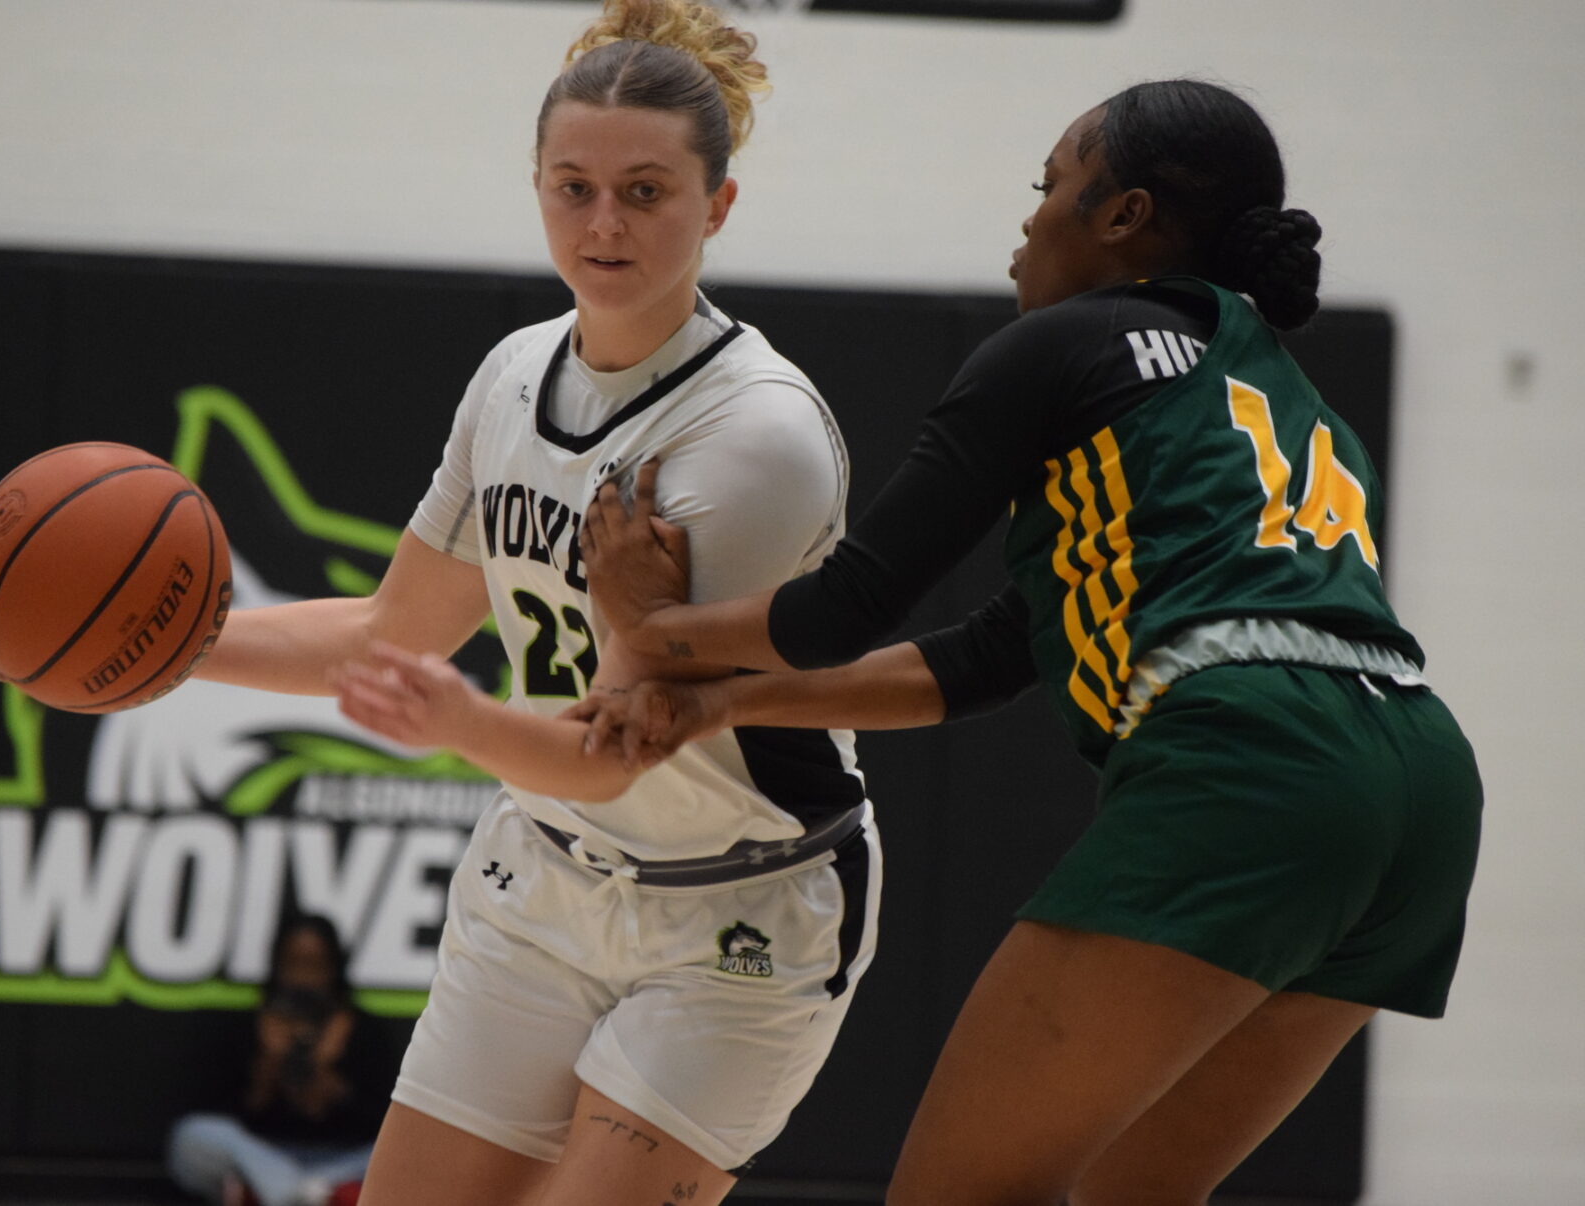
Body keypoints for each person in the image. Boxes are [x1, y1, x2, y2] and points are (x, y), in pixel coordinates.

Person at [571, 79, 1483, 1205]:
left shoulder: (1068, 343)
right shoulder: (1292, 403)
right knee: (1125, 1194)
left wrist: (652, 628)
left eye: (1049, 187)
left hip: (1257, 761)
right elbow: (989, 658)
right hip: (1421, 789)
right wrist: (724, 703)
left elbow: (846, 605)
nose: (1027, 221)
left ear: (1124, 217)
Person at [195, 3, 882, 1204]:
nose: (603, 222)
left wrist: (452, 721)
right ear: (536, 185)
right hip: (542, 884)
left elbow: (616, 748)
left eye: (646, 192)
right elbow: (389, 631)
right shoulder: (513, 375)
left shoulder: (755, 438)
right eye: (573, 187)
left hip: (735, 910)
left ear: (718, 206)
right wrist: (169, 656)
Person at [168, 914, 375, 1206]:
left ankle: (295, 1192)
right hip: (263, 1157)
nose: (303, 979)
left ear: (333, 968)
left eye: (314, 966)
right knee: (191, 1136)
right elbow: (219, 1113)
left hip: (340, 1160)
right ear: (277, 964)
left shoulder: (361, 1029)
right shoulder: (250, 1026)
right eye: (294, 964)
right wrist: (268, 1064)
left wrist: (326, 1075)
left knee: (409, 1150)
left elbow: (381, 1120)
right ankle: (305, 1194)